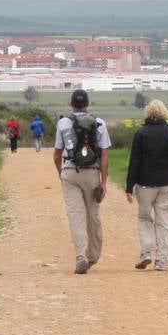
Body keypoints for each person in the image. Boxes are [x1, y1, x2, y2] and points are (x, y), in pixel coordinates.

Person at [125, 99, 168, 271]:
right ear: (164, 113)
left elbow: (135, 161)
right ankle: (161, 260)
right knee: (164, 222)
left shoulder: (141, 133)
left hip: (145, 184)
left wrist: (129, 187)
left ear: (148, 113)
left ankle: (146, 253)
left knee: (145, 218)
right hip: (166, 184)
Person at [53, 89, 111, 274]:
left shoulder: (63, 123)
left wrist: (61, 173)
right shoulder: (99, 123)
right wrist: (103, 181)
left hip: (70, 172)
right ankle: (92, 256)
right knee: (93, 215)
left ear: (72, 104)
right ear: (87, 104)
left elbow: (56, 154)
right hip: (92, 173)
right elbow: (104, 154)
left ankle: (81, 257)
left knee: (76, 217)